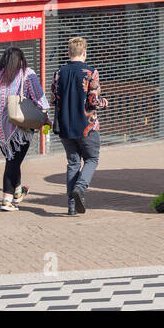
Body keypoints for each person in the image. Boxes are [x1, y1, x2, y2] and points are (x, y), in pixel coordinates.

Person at [0, 46, 49, 212]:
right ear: (21, 60)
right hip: (18, 126)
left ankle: (17, 193)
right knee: (12, 161)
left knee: (13, 159)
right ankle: (6, 200)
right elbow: (39, 97)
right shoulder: (27, 74)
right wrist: (45, 117)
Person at [52, 36, 108, 216]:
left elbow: (54, 97)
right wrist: (104, 102)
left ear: (69, 53)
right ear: (84, 53)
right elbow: (93, 101)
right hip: (87, 125)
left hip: (65, 126)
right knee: (92, 159)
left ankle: (71, 205)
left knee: (73, 162)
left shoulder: (59, 72)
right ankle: (80, 187)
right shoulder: (91, 72)